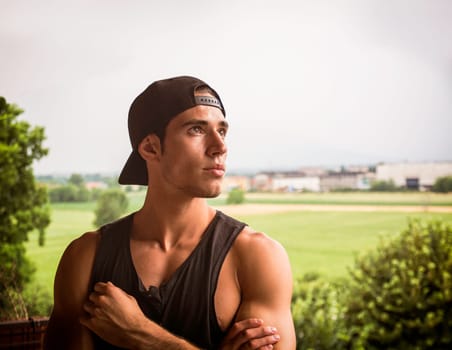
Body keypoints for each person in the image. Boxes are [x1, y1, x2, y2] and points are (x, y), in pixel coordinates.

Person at [44, 76, 295, 349]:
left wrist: (141, 334)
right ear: (151, 147)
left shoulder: (257, 257)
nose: (220, 147)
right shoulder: (85, 257)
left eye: (221, 131)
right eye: (196, 130)